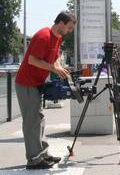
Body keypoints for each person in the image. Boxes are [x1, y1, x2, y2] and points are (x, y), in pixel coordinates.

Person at [15, 11, 76, 169]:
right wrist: (54, 70)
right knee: (31, 122)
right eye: (69, 28)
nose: (69, 31)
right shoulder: (44, 36)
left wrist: (59, 68)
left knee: (39, 120)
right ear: (61, 23)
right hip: (26, 83)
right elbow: (32, 60)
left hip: (36, 83)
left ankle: (42, 154)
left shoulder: (57, 37)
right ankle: (34, 160)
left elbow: (54, 58)